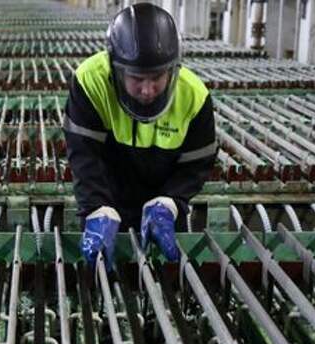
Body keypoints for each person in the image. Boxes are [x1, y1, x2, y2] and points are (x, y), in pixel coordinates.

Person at [63, 2, 216, 271]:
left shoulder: (194, 96)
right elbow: (84, 155)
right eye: (136, 78)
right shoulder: (91, 81)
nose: (147, 90)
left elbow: (196, 165)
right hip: (107, 196)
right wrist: (96, 208)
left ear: (173, 69)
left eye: (157, 77)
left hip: (163, 206)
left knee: (165, 275)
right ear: (116, 69)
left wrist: (171, 202)